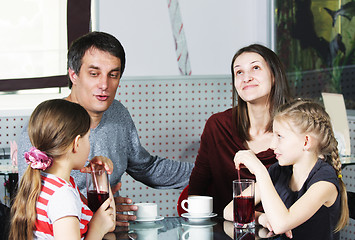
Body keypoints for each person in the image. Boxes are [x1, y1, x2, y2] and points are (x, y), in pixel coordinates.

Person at [17, 31, 194, 225]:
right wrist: (97, 214)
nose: (104, 85)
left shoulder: (118, 113)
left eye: (113, 75)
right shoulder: (44, 125)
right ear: (73, 75)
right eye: (94, 74)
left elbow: (146, 167)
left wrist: (210, 171)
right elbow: (33, 202)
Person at [188, 44, 292, 216]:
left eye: (255, 68)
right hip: (224, 230)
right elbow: (197, 188)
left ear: (274, 76)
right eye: (239, 72)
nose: (246, 78)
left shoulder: (297, 129)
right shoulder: (217, 126)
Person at [224, 99, 349, 240]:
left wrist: (260, 171)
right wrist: (262, 218)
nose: (272, 145)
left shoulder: (325, 181)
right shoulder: (279, 171)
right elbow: (230, 210)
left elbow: (281, 224)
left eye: (280, 136)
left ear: (306, 142)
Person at [10, 99, 116, 240]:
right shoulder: (63, 197)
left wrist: (99, 174)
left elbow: (108, 222)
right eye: (88, 138)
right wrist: (96, 230)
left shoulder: (48, 183)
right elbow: (101, 225)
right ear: (76, 143)